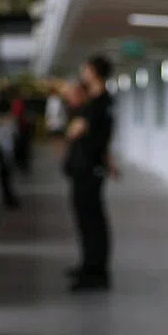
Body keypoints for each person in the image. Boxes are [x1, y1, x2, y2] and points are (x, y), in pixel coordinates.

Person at [64, 56, 116, 291]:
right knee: (86, 220)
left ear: (94, 72)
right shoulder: (96, 102)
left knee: (92, 220)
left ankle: (96, 272)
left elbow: (76, 131)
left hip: (88, 169)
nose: (82, 72)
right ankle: (89, 264)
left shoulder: (98, 103)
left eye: (85, 68)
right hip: (85, 168)